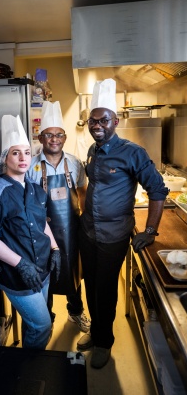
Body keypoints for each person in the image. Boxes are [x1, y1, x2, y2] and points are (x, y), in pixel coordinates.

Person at [77, 78, 168, 368]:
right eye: (92, 120)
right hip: (88, 230)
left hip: (114, 234)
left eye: (103, 120)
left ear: (115, 121)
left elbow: (157, 190)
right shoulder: (93, 150)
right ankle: (97, 330)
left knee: (105, 289)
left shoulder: (133, 152)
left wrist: (151, 230)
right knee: (90, 284)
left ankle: (105, 341)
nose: (97, 125)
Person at [0, 114, 61, 350]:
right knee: (42, 325)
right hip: (18, 275)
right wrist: (21, 264)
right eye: (16, 152)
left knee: (33, 323)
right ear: (6, 158)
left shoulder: (35, 189)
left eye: (26, 152)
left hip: (41, 270)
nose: (23, 158)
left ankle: (27, 364)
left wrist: (54, 248)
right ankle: (30, 369)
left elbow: (42, 223)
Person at [28, 101, 90, 333]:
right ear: (41, 138)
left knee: (73, 272)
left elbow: (82, 193)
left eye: (59, 135)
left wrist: (83, 222)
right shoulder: (31, 166)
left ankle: (76, 313)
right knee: (46, 275)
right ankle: (48, 319)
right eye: (49, 135)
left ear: (64, 138)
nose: (54, 139)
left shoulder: (74, 163)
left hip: (71, 229)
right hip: (42, 232)